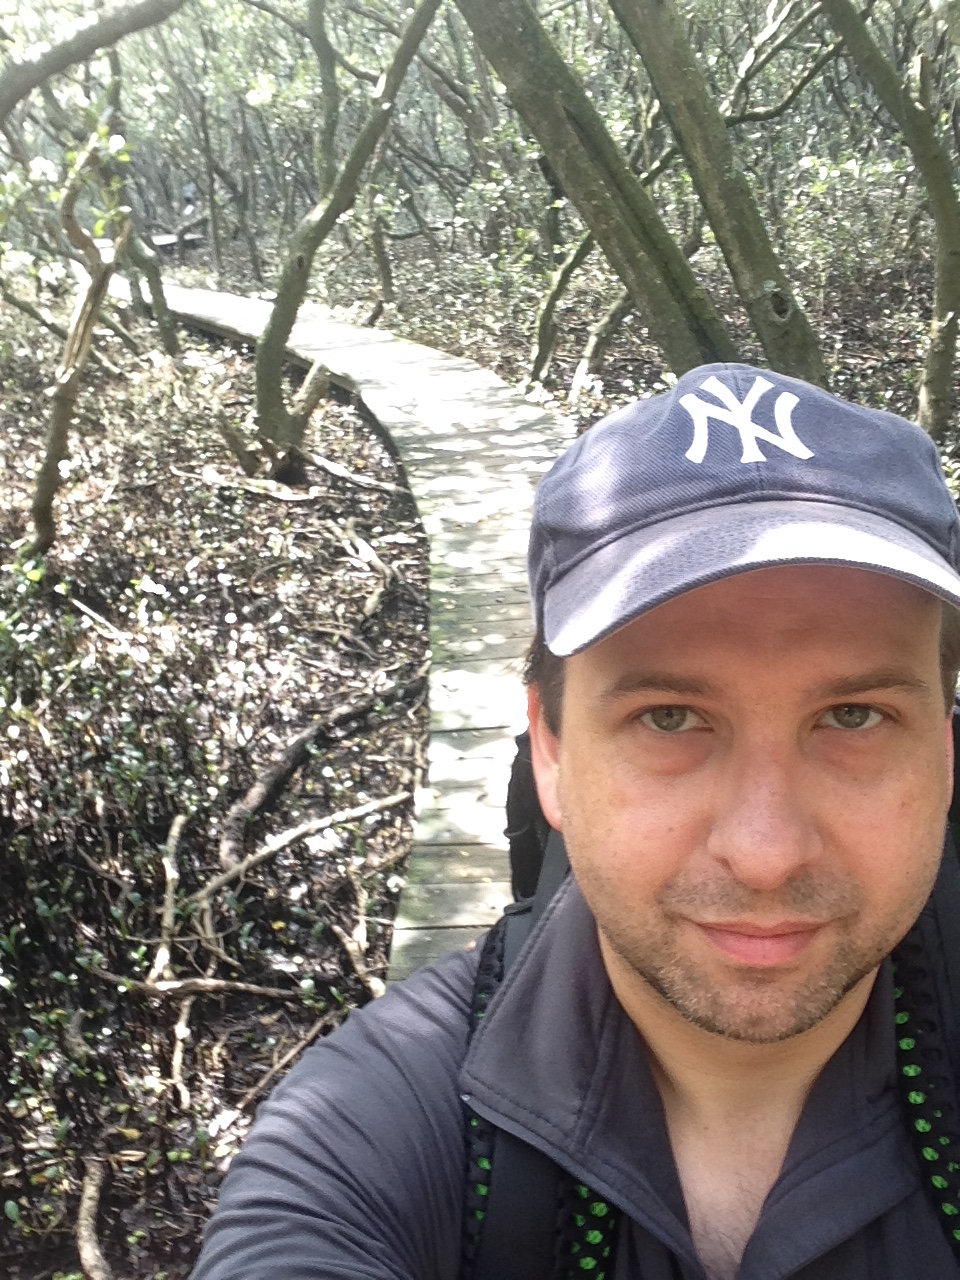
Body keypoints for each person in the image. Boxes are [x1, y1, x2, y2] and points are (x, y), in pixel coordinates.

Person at [191, 363, 960, 1279]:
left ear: (946, 747)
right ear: (550, 752)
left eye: (854, 716)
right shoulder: (374, 1130)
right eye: (669, 718)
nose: (765, 854)